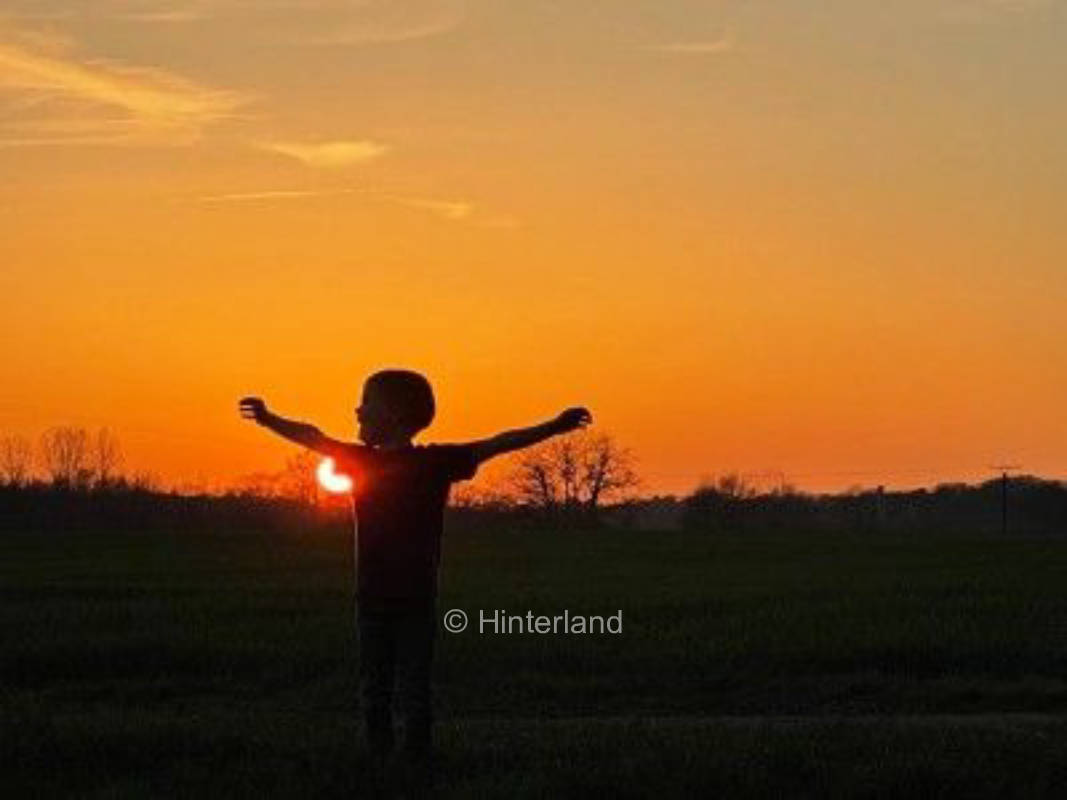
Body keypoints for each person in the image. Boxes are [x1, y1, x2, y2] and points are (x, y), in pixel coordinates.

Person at [238, 369, 591, 794]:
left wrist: (555, 426)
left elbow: (500, 442)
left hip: (403, 600)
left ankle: (406, 761)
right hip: (385, 598)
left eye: (365, 401)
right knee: (388, 684)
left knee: (399, 685)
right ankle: (389, 761)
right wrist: (270, 418)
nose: (357, 409)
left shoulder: (420, 462)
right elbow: (312, 435)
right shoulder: (420, 463)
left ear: (391, 414)